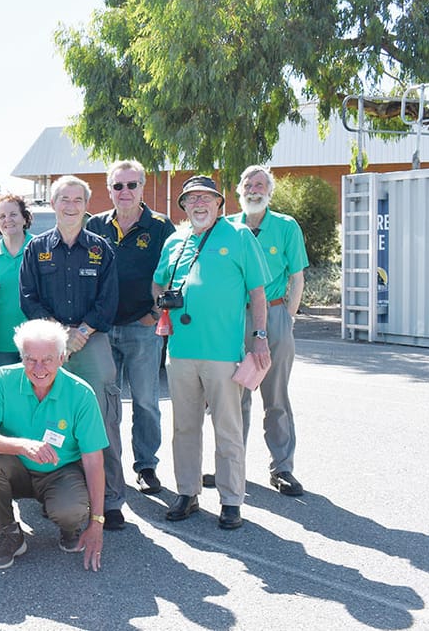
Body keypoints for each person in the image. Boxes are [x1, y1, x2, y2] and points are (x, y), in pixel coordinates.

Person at [153, 175, 271, 530]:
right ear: (184, 207)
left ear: (220, 204)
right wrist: (162, 300)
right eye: (192, 200)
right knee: (184, 427)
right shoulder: (175, 241)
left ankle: (231, 500)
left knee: (228, 428)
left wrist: (261, 336)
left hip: (223, 352)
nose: (199, 204)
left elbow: (258, 293)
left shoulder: (239, 237)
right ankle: (187, 493)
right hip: (181, 350)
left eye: (207, 198)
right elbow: (159, 281)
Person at [20, 174, 126, 530]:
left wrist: (80, 332)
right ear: (52, 204)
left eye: (77, 200)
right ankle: (49, 491)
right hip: (48, 342)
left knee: (102, 417)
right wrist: (57, 334)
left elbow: (109, 298)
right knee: (44, 414)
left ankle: (110, 500)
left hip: (89, 339)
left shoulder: (100, 248)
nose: (70, 205)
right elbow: (29, 297)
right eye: (63, 199)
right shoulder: (37, 248)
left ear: (86, 205)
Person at [0, 319, 108, 572]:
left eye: (47, 359)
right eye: (30, 359)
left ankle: (71, 527)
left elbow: (94, 460)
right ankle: (8, 532)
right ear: (21, 357)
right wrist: (23, 446)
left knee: (70, 510)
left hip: (61, 471)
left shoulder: (81, 393)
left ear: (62, 357)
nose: (38, 367)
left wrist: (97, 522)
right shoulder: (3, 379)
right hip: (17, 468)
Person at [86, 160, 175, 495]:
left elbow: (173, 272)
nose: (125, 192)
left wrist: (155, 313)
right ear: (109, 190)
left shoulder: (160, 226)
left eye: (131, 185)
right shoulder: (95, 225)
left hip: (143, 328)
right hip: (103, 331)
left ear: (142, 186)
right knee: (106, 406)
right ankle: (111, 471)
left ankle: (147, 465)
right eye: (118, 186)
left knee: (146, 401)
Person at [225, 165, 308, 496]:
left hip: (273, 316)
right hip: (233, 319)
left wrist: (286, 318)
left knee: (275, 397)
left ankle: (282, 468)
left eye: (260, 184)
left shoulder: (286, 226)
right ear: (239, 190)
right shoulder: (227, 226)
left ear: (269, 191)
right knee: (234, 396)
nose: (253, 189)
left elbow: (297, 277)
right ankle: (232, 467)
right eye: (248, 184)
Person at [0, 194, 33, 371]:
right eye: (2, 216)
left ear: (24, 218)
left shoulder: (40, 249)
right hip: (0, 342)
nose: (8, 220)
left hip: (35, 341)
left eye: (13, 214)